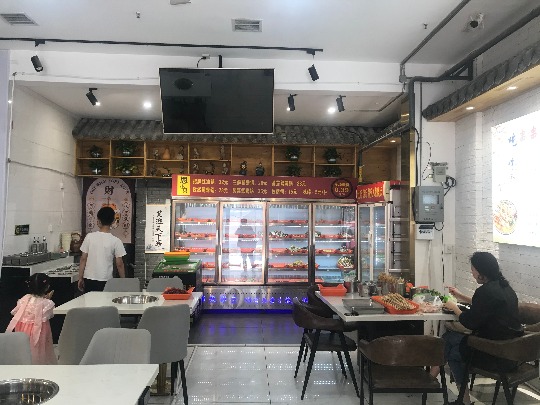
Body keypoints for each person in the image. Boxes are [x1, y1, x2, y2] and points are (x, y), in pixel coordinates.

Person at [431, 252, 523, 405]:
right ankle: (437, 382)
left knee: (450, 348)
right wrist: (461, 296)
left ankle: (434, 383)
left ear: (481, 272)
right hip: (512, 353)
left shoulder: (485, 291)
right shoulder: (505, 287)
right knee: (449, 340)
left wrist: (454, 307)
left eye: (473, 269)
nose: (471, 272)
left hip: (493, 355)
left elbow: (470, 322)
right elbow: (485, 306)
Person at [6, 273, 57, 364]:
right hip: (39, 329)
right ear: (47, 287)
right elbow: (48, 314)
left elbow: (16, 311)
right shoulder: (47, 303)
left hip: (22, 328)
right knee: (39, 348)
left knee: (24, 347)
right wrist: (47, 299)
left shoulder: (25, 298)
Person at [78, 206, 127, 292]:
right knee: (105, 300)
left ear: (98, 221)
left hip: (89, 278)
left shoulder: (89, 237)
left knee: (90, 300)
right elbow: (119, 264)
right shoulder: (116, 241)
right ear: (113, 221)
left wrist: (80, 277)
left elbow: (83, 259)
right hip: (106, 279)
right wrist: (123, 280)